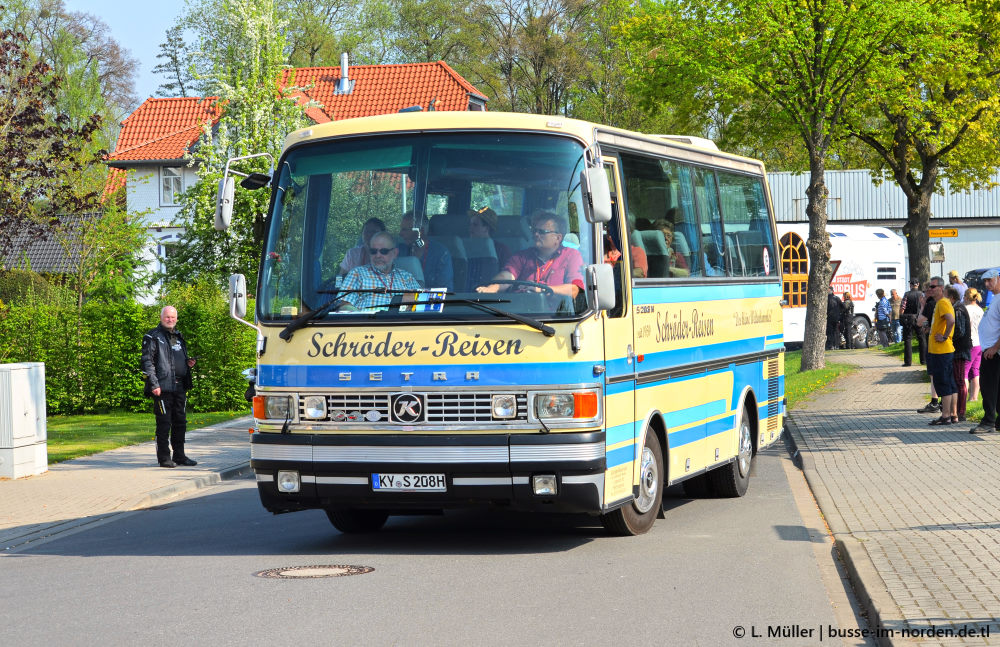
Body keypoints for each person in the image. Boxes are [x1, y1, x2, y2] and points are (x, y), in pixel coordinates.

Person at [477, 210, 585, 298]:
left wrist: (543, 289)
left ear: (558, 237)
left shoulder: (572, 256)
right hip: (518, 315)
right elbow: (507, 276)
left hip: (557, 318)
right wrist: (491, 288)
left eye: (542, 232)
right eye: (534, 231)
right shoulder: (522, 256)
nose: (536, 234)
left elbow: (576, 289)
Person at [141, 306, 197, 468]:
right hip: (162, 387)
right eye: (167, 317)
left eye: (173, 317)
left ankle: (180, 456)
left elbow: (175, 359)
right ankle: (164, 457)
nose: (170, 319)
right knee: (164, 423)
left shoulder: (178, 336)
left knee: (180, 422)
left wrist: (187, 363)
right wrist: (154, 384)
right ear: (161, 317)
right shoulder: (152, 336)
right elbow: (147, 362)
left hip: (180, 386)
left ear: (177, 319)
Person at [338, 231, 421, 311]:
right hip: (369, 324)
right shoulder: (357, 274)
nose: (378, 255)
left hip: (401, 323)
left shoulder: (407, 277)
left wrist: (412, 301)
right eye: (373, 251)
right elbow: (344, 306)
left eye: (384, 251)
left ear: (395, 253)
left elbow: (422, 303)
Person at [970, 269, 1000, 433]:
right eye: (985, 281)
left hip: (993, 351)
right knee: (996, 387)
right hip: (990, 349)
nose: (987, 284)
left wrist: (995, 347)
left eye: (990, 280)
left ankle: (988, 421)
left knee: (988, 386)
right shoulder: (996, 298)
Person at [923, 279, 957, 425]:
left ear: (941, 288)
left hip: (941, 351)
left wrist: (944, 336)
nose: (930, 289)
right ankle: (953, 414)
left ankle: (946, 416)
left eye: (933, 286)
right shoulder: (940, 303)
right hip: (942, 351)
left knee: (943, 383)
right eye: (929, 286)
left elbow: (951, 320)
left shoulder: (943, 302)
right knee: (949, 383)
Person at [398, 213, 454, 290]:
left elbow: (445, 290)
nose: (400, 234)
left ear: (420, 232)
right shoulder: (398, 250)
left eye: (405, 230)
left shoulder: (440, 253)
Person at [916, 277, 941, 413]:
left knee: (934, 374)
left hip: (934, 343)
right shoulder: (939, 303)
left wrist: (922, 306)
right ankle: (941, 402)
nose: (924, 294)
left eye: (925, 291)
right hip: (937, 342)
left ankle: (935, 402)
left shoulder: (930, 304)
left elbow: (919, 321)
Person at [947, 286, 972, 422]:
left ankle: (961, 412)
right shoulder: (957, 308)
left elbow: (959, 331)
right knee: (957, 380)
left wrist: (947, 337)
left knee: (959, 381)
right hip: (957, 349)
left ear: (951, 297)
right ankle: (955, 410)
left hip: (959, 351)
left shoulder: (958, 310)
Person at [964, 288, 984, 403]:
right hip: (979, 342)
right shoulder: (980, 310)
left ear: (966, 297)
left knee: (964, 372)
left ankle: (963, 398)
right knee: (975, 371)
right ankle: (974, 398)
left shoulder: (966, 309)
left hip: (969, 343)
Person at [900, 279, 923, 366]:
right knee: (921, 339)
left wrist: (901, 316)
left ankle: (908, 361)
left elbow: (903, 307)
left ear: (910, 285)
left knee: (908, 339)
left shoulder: (907, 294)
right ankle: (923, 360)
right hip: (919, 318)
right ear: (918, 284)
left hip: (908, 318)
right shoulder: (922, 294)